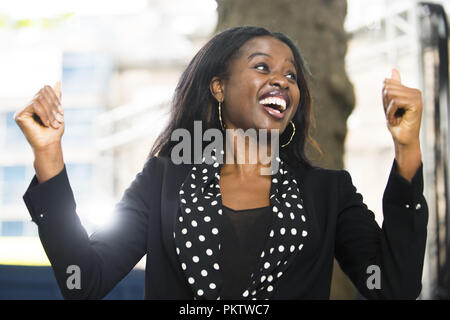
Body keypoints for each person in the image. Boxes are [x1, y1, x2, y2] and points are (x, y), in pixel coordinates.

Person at [14, 26, 427, 300]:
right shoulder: (163, 181)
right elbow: (83, 281)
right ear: (218, 87)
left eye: (292, 75)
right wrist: (49, 156)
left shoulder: (328, 192)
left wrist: (407, 149)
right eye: (262, 66)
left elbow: (391, 288)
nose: (281, 80)